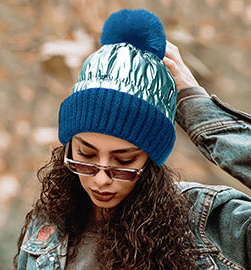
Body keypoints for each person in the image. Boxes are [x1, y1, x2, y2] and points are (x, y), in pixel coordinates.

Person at [14, 9, 251, 270]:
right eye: (86, 155)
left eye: (124, 160)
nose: (101, 179)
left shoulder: (209, 222)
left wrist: (198, 110)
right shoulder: (47, 229)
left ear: (151, 158)